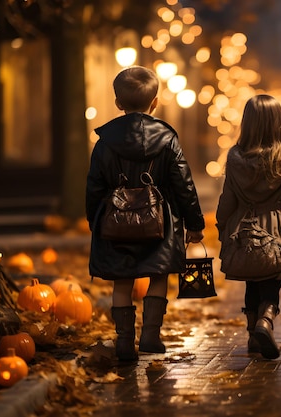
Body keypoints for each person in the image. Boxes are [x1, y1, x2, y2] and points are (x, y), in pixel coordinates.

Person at [86, 66, 205, 361]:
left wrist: (95, 220)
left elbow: (94, 186)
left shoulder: (104, 142)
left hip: (116, 221)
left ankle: (124, 341)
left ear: (118, 103)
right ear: (155, 102)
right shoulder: (167, 139)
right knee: (158, 274)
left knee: (122, 280)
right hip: (160, 220)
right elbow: (183, 183)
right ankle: (151, 336)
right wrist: (194, 223)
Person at [216, 94, 281, 360]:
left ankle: (252, 334)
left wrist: (221, 223)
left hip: (243, 227)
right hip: (277, 229)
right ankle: (265, 322)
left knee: (251, 280)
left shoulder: (235, 159)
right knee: (271, 280)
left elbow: (228, 198)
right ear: (278, 124)